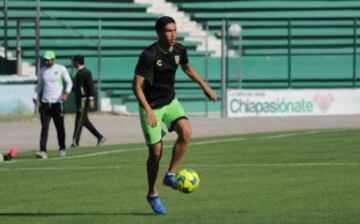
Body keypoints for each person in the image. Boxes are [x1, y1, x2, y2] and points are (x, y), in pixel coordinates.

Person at [133, 16, 217, 215]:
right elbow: (136, 86)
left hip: (170, 102)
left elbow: (187, 67)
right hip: (150, 106)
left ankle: (170, 174)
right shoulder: (149, 55)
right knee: (155, 153)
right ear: (159, 33)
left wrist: (204, 85)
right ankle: (152, 193)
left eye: (175, 30)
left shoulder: (179, 50)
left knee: (186, 132)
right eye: (169, 31)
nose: (173, 34)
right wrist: (148, 109)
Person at [33, 50, 73, 159]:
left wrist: (66, 94)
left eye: (48, 59)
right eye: (45, 60)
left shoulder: (61, 69)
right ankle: (43, 151)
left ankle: (62, 148)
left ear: (53, 59)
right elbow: (40, 85)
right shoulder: (42, 70)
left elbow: (69, 82)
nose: (47, 61)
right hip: (46, 103)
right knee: (44, 127)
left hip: (57, 103)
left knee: (59, 127)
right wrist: (35, 96)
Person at [71, 55, 105, 148]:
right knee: (84, 121)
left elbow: (90, 86)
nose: (73, 63)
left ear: (78, 62)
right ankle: (100, 137)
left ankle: (75, 142)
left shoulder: (86, 73)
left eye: (74, 61)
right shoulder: (78, 74)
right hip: (79, 100)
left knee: (78, 121)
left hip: (83, 100)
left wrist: (91, 99)